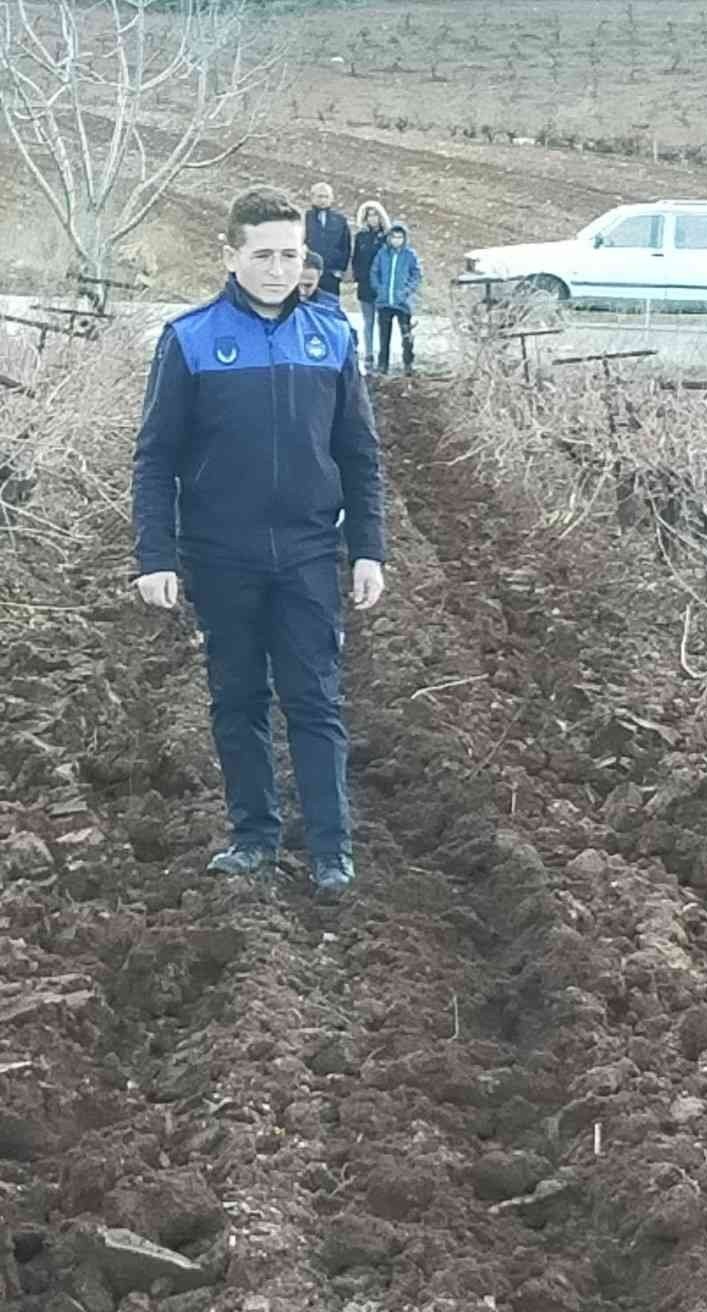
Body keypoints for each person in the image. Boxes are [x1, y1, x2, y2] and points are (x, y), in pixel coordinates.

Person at [131, 186, 386, 896]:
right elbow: (155, 456)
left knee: (315, 700)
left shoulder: (332, 337)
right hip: (221, 555)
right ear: (232, 255)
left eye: (292, 255)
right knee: (237, 697)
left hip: (308, 553)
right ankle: (254, 838)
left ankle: (331, 851)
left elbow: (360, 454)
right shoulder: (190, 340)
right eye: (264, 255)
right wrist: (155, 554)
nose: (280, 269)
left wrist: (368, 547)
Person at [369, 222, 422, 377]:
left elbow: (416, 275)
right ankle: (382, 365)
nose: (397, 240)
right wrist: (379, 288)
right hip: (384, 302)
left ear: (404, 238)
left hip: (402, 303)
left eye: (400, 237)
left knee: (406, 335)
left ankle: (408, 363)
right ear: (389, 238)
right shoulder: (382, 254)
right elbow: (374, 271)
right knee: (384, 336)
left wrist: (407, 291)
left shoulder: (410, 255)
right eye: (394, 237)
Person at [351, 200, 390, 370]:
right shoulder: (361, 237)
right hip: (365, 285)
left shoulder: (388, 237)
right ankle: (368, 353)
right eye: (369, 216)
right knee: (368, 321)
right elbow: (356, 260)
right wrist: (358, 278)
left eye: (375, 215)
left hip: (383, 286)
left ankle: (383, 354)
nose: (372, 219)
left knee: (383, 322)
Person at [304, 181, 351, 297]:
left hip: (331, 274)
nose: (323, 200)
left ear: (332, 198)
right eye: (320, 196)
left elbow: (346, 246)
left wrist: (340, 269)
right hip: (308, 273)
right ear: (312, 197)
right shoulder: (304, 218)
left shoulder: (340, 220)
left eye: (326, 197)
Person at [299, 248, 351, 323]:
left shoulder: (331, 306)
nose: (302, 291)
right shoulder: (278, 307)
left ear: (319, 276)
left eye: (308, 285)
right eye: (296, 286)